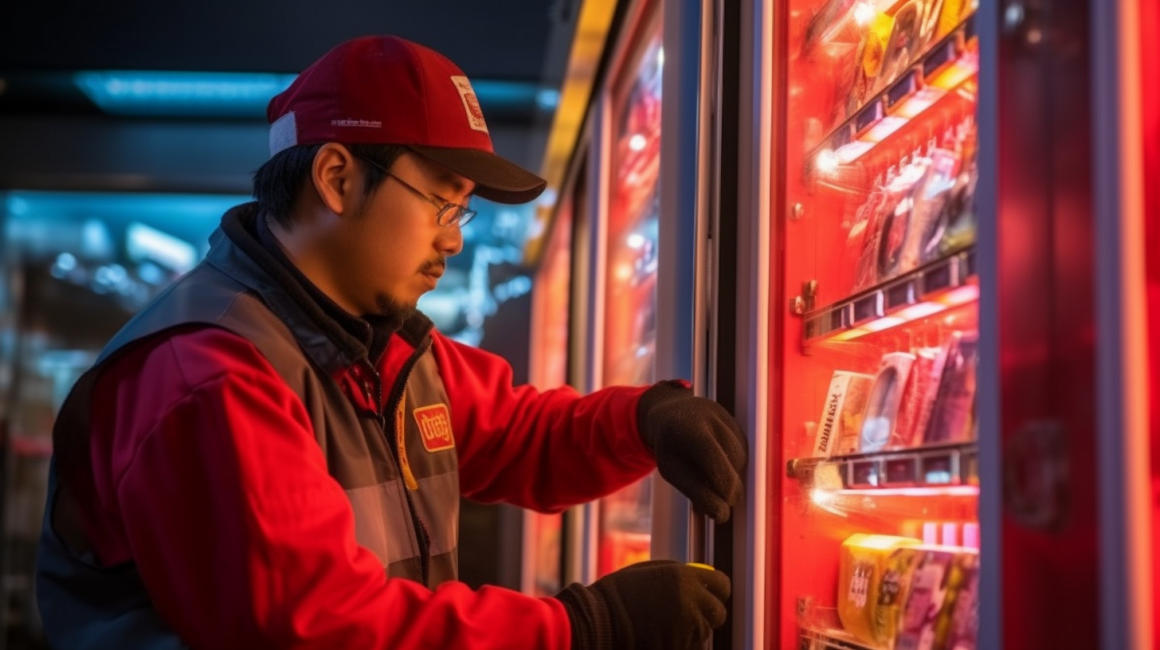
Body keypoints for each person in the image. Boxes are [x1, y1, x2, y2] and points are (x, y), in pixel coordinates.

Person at [35, 34, 747, 650]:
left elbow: (520, 432)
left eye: (462, 209)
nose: (454, 238)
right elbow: (319, 628)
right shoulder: (210, 376)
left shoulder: (382, 350)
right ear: (337, 178)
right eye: (441, 200)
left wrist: (647, 420)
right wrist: (585, 629)